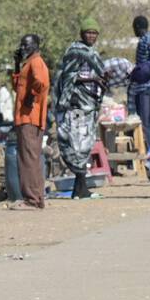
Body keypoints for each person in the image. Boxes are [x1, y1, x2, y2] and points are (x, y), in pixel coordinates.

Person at [54, 17, 107, 199]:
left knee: (85, 142)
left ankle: (79, 189)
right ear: (82, 34)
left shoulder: (91, 51)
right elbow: (69, 76)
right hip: (77, 104)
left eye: (94, 33)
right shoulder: (75, 50)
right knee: (79, 143)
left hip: (89, 103)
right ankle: (81, 188)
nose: (91, 36)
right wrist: (92, 79)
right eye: (88, 32)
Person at [11, 34, 49, 210]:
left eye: (27, 45)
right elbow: (17, 86)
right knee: (32, 158)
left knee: (28, 159)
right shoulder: (29, 63)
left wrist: (30, 98)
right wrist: (17, 64)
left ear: (36, 45)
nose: (23, 47)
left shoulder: (36, 62)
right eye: (22, 45)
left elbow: (41, 83)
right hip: (26, 117)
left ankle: (31, 200)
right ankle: (37, 198)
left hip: (29, 117)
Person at [128, 15, 150, 145]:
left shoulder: (148, 40)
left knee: (146, 122)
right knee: (142, 121)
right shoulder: (145, 39)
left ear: (138, 27)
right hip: (141, 86)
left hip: (147, 86)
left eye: (134, 28)